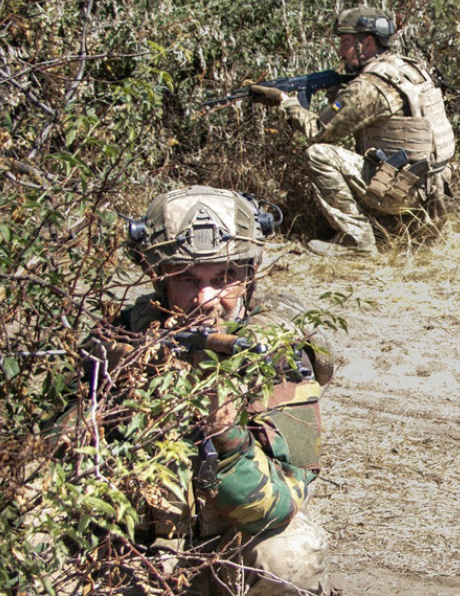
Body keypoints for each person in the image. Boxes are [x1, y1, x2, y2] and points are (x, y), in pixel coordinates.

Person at [87, 186, 333, 594]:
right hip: (134, 551)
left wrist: (228, 438)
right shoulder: (121, 340)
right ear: (156, 277)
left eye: (224, 278)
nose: (206, 299)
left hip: (229, 549)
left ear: (249, 274)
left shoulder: (277, 354)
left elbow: (280, 507)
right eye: (186, 278)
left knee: (292, 555)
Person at [250, 7, 455, 257]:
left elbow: (317, 132)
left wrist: (286, 102)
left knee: (319, 154)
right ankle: (393, 227)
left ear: (367, 43)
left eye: (345, 43)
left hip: (402, 191)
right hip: (434, 188)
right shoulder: (408, 69)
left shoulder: (369, 86)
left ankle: (358, 243)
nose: (340, 52)